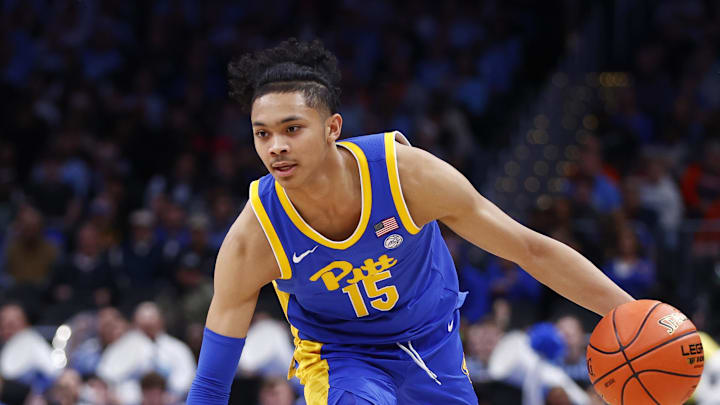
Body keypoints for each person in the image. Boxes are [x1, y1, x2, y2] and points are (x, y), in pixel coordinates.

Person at [187, 38, 634, 405]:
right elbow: (211, 381)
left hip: (431, 345)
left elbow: (529, 249)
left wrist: (632, 311)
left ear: (332, 128)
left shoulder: (407, 176)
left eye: (291, 129)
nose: (275, 147)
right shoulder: (257, 232)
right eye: (262, 133)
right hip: (341, 358)